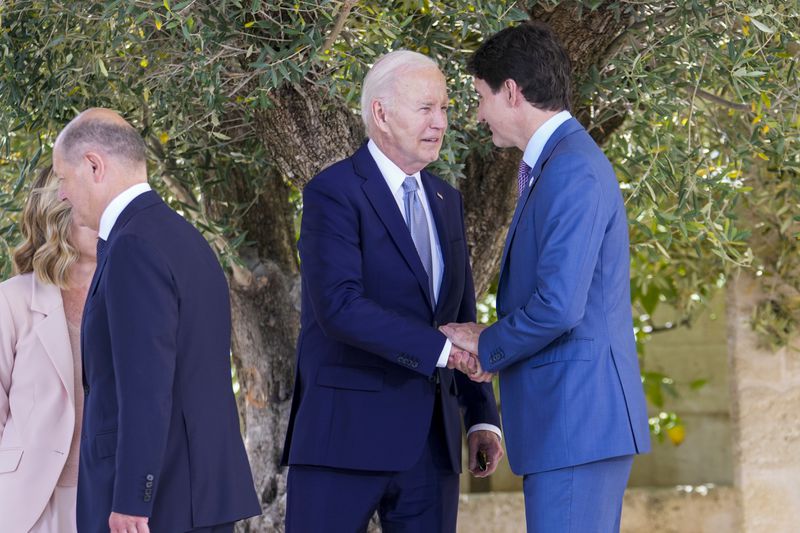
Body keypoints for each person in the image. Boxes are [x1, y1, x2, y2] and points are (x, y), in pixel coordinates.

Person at [441, 21, 651, 532]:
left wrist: (489, 341)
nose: (477, 114)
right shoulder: (558, 163)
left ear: (511, 92)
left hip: (576, 422)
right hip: (570, 423)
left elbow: (558, 305)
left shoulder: (571, 169)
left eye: (481, 97)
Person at [282, 50, 503, 532]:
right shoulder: (333, 192)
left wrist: (483, 416)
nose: (441, 122)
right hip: (344, 440)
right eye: (427, 108)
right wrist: (443, 351)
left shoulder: (447, 200)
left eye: (444, 109)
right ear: (381, 113)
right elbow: (339, 307)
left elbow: (461, 313)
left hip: (432, 447)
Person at [53, 108, 261, 533]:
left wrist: (133, 498)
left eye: (62, 177)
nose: (61, 195)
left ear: (94, 165)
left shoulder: (133, 247)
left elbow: (146, 385)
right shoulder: (182, 237)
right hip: (196, 492)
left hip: (155, 505)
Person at [0, 165, 96, 532]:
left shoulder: (130, 298)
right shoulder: (12, 300)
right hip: (29, 503)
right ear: (56, 214)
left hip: (111, 498)